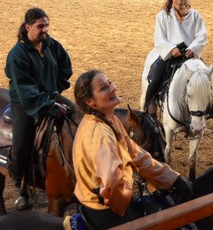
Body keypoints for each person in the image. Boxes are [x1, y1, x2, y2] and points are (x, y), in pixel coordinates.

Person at [72, 69, 193, 228]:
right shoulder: (101, 134)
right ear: (90, 102)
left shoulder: (109, 120)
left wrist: (172, 178)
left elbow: (136, 154)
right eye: (104, 88)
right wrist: (128, 198)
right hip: (110, 209)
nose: (112, 87)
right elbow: (111, 183)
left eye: (110, 82)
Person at [5, 7, 73, 210]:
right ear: (28, 27)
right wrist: (48, 105)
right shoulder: (17, 55)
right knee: (20, 145)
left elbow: (65, 66)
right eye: (40, 26)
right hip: (25, 103)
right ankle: (19, 187)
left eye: (47, 25)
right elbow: (26, 90)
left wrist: (57, 87)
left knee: (78, 118)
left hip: (50, 95)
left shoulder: (51, 44)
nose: (45, 30)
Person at [142, 0, 213, 120]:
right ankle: (147, 106)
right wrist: (171, 48)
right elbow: (159, 38)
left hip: (189, 54)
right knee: (155, 78)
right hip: (171, 54)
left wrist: (193, 48)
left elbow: (201, 35)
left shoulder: (195, 15)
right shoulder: (163, 16)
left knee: (207, 77)